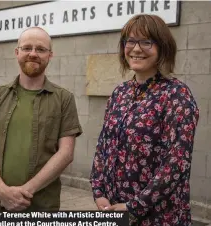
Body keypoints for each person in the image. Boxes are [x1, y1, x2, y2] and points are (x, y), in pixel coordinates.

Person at [90, 14, 199, 225]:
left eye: (146, 42)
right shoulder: (119, 93)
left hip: (157, 216)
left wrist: (134, 206)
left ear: (162, 47)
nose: (136, 49)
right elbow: (103, 146)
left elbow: (176, 163)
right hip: (113, 208)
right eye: (130, 41)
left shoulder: (176, 95)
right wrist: (98, 191)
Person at [0, 27, 82, 211]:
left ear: (50, 55)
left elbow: (65, 154)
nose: (33, 53)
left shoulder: (64, 99)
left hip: (40, 205)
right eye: (27, 48)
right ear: (17, 52)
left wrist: (23, 193)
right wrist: (2, 192)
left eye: (40, 49)